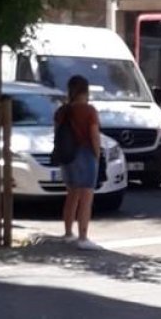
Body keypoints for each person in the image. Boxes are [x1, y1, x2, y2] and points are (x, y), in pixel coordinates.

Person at [56, 75, 103, 250]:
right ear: (85, 91)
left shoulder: (62, 111)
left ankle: (68, 233)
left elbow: (57, 134)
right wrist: (97, 154)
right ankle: (83, 237)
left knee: (72, 195)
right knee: (86, 197)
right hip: (85, 154)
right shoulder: (89, 111)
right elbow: (94, 135)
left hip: (67, 155)